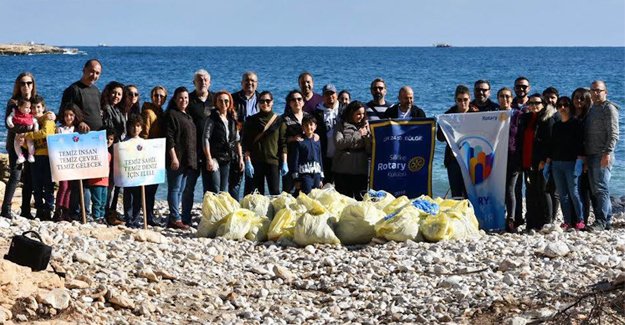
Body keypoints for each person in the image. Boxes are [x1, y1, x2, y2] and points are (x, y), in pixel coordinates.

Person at [59, 59, 104, 220]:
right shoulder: (73, 90)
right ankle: (75, 212)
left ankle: (87, 212)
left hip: (95, 140)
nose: (94, 75)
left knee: (90, 179)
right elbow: (65, 114)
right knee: (77, 180)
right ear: (84, 69)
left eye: (98, 73)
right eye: (91, 71)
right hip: (79, 141)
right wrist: (79, 122)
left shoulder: (96, 91)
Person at [1, 72, 48, 219]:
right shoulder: (13, 102)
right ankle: (6, 209)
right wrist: (25, 132)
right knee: (15, 175)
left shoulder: (36, 101)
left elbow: (42, 117)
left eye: (29, 83)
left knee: (29, 178)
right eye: (22, 83)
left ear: (33, 85)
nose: (26, 86)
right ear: (18, 85)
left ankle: (26, 210)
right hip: (15, 143)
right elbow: (9, 124)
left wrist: (53, 115)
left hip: (32, 145)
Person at [544, 96, 585, 230]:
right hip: (556, 164)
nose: (563, 107)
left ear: (570, 107)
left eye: (566, 105)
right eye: (560, 105)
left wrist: (580, 161)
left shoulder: (576, 123)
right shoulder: (556, 125)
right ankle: (567, 221)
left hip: (571, 164)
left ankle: (580, 220)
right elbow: (551, 145)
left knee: (574, 193)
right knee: (562, 194)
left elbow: (581, 144)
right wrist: (548, 163)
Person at [584, 80, 619, 231]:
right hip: (591, 155)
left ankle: (602, 221)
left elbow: (614, 133)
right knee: (596, 189)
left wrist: (608, 153)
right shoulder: (592, 108)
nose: (596, 93)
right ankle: (607, 221)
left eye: (599, 90)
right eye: (593, 90)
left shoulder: (608, 108)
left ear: (606, 92)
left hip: (603, 155)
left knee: (601, 188)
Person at [517, 93, 555, 231]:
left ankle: (546, 222)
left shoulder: (548, 119)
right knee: (531, 192)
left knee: (544, 191)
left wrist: (545, 160)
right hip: (527, 160)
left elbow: (551, 143)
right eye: (531, 103)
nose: (534, 106)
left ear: (543, 104)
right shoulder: (526, 118)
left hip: (541, 162)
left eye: (537, 103)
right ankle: (532, 223)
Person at [242, 91, 287, 195]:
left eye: (268, 101)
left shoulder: (279, 120)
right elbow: (246, 143)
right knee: (257, 195)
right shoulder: (251, 120)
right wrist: (248, 162)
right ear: (258, 103)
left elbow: (283, 143)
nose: (265, 103)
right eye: (262, 101)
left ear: (272, 102)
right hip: (256, 162)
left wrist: (284, 162)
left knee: (275, 193)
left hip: (273, 161)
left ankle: (274, 212)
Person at [183, 69, 214, 222]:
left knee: (209, 189)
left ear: (210, 82)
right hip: (192, 151)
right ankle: (185, 217)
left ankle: (208, 218)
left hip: (210, 151)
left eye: (205, 80)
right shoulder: (188, 100)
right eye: (199, 80)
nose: (202, 82)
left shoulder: (215, 100)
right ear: (194, 82)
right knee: (189, 187)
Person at [437, 85, 477, 198]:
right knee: (456, 194)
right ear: (455, 100)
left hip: (472, 159)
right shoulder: (448, 115)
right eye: (459, 100)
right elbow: (439, 137)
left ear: (470, 99)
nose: (463, 103)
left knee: (471, 193)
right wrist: (445, 125)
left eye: (465, 99)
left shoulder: (476, 114)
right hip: (453, 159)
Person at [164, 87, 195, 230]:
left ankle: (176, 217)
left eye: (186, 98)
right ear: (175, 99)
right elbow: (169, 138)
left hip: (187, 158)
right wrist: (173, 158)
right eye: (181, 98)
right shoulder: (171, 114)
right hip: (176, 158)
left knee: (181, 189)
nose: (184, 100)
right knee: (174, 188)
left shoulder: (187, 115)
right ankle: (174, 218)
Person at [203, 91, 243, 193]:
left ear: (230, 102)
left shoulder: (232, 119)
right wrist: (209, 158)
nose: (223, 103)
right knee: (215, 189)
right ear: (216, 102)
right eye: (220, 101)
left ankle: (221, 209)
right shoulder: (212, 118)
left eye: (226, 101)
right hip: (215, 158)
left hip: (227, 158)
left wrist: (241, 158)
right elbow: (206, 138)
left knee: (223, 190)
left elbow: (237, 140)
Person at [24, 96, 55, 221]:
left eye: (38, 107)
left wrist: (28, 135)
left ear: (43, 107)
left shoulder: (48, 120)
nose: (36, 110)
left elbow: (45, 133)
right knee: (36, 185)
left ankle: (48, 210)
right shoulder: (32, 122)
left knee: (48, 185)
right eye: (33, 107)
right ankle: (39, 209)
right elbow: (28, 143)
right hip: (35, 156)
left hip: (47, 156)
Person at [333, 101, 371, 200]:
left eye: (363, 114)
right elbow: (339, 143)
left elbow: (369, 150)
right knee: (343, 199)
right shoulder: (341, 125)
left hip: (360, 169)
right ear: (351, 113)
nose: (361, 116)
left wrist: (367, 136)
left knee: (361, 198)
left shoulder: (366, 126)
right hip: (343, 169)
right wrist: (358, 134)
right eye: (358, 114)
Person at [140, 86, 167, 226]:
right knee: (149, 188)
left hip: (158, 152)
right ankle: (147, 216)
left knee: (153, 187)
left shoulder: (160, 111)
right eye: (156, 95)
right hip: (150, 153)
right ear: (151, 96)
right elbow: (144, 134)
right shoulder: (148, 112)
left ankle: (148, 214)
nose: (159, 98)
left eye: (162, 96)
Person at [231, 71, 260, 200]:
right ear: (241, 83)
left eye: (253, 81)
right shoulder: (233, 99)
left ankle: (247, 211)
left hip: (255, 145)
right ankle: (234, 209)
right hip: (237, 144)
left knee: (252, 181)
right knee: (235, 181)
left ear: (257, 84)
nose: (250, 83)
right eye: (247, 80)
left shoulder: (262, 99)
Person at [498, 87, 524, 232]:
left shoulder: (519, 115)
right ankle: (498, 218)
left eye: (507, 96)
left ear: (512, 98)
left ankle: (511, 220)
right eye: (501, 96)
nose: (505, 99)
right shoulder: (493, 115)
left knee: (510, 189)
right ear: (498, 99)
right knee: (498, 190)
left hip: (514, 158)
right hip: (496, 159)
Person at [101, 81, 126, 224]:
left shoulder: (118, 110)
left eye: (119, 94)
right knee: (109, 183)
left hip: (119, 149)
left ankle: (112, 211)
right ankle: (106, 213)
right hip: (109, 149)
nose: (116, 96)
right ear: (108, 92)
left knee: (117, 183)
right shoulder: (105, 109)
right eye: (114, 93)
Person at [53, 104, 83, 221]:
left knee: (70, 187)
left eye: (71, 115)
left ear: (75, 116)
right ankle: (58, 210)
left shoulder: (77, 130)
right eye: (66, 115)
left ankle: (66, 210)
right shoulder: (60, 129)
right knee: (63, 186)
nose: (68, 118)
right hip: (62, 162)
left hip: (74, 163)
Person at [571, 87, 594, 225]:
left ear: (587, 100)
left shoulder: (588, 118)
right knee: (573, 190)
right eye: (576, 97)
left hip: (584, 158)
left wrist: (585, 159)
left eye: (582, 98)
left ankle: (583, 220)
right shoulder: (571, 116)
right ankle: (574, 218)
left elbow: (588, 139)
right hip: (571, 158)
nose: (578, 100)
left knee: (583, 190)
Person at [282, 90, 310, 193]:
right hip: (291, 159)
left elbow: (314, 133)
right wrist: (292, 139)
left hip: (306, 159)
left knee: (306, 190)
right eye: (293, 99)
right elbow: (280, 140)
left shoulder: (308, 117)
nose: (296, 101)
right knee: (288, 191)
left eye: (299, 99)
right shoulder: (284, 119)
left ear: (303, 102)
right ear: (289, 103)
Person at [313, 84, 341, 184]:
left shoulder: (344, 110)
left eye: (332, 93)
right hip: (325, 155)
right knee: (326, 186)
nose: (330, 96)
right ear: (323, 96)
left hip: (341, 155)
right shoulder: (317, 112)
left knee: (341, 187)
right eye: (327, 94)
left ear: (336, 95)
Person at [88, 128, 115, 224]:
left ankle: (102, 217)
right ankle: (96, 217)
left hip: (105, 181)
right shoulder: (95, 151)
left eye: (111, 139)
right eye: (107, 138)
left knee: (104, 202)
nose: (109, 141)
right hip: (96, 181)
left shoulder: (109, 154)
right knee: (97, 201)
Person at [123, 114, 145, 228]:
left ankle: (136, 219)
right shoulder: (124, 142)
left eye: (138, 126)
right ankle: (128, 219)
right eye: (133, 126)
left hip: (139, 176)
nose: (135, 129)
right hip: (128, 176)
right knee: (128, 198)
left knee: (138, 198)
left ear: (141, 128)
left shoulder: (143, 142)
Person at [293, 115, 324, 195]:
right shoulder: (300, 142)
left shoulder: (317, 141)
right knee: (307, 195)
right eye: (306, 125)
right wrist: (296, 179)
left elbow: (320, 158)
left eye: (311, 124)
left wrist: (321, 178)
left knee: (316, 196)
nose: (309, 127)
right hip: (305, 174)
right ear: (302, 127)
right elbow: (295, 160)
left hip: (316, 174)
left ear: (315, 126)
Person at [6, 99, 38, 164]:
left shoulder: (29, 115)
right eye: (26, 107)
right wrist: (10, 123)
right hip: (18, 133)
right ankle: (20, 156)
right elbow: (9, 118)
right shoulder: (15, 113)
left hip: (28, 134)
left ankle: (31, 155)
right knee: (16, 143)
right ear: (20, 107)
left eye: (29, 107)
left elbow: (35, 122)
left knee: (30, 143)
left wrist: (36, 128)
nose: (29, 109)